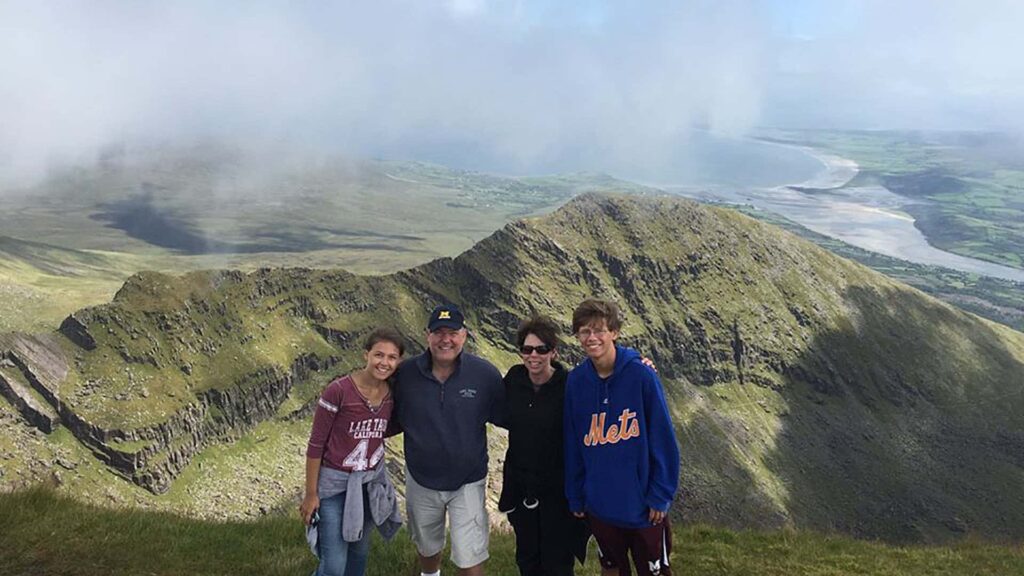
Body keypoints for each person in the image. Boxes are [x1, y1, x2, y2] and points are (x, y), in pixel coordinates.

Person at [563, 299, 680, 576]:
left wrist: (660, 495)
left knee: (654, 571)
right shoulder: (577, 382)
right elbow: (573, 443)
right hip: (600, 505)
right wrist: (576, 494)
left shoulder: (641, 375)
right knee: (611, 569)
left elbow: (663, 438)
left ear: (614, 332)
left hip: (642, 507)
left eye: (599, 330)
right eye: (584, 331)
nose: (592, 338)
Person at [391, 304, 505, 576]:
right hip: (421, 478)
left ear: (464, 335)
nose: (446, 339)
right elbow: (385, 414)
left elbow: (509, 418)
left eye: (452, 332)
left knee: (470, 553)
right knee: (428, 546)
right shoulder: (405, 375)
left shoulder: (485, 374)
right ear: (427, 335)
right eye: (438, 332)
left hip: (468, 479)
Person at [300, 327, 405, 576]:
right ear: (365, 355)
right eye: (379, 355)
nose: (384, 362)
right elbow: (316, 444)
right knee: (334, 566)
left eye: (392, 357)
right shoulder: (338, 391)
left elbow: (383, 429)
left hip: (368, 486)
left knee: (357, 559)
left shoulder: (391, 395)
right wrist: (311, 494)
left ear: (398, 361)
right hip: (335, 487)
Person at [498, 315, 589, 576]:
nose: (533, 355)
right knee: (527, 560)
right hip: (522, 488)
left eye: (541, 349)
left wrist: (641, 365)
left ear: (554, 352)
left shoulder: (569, 385)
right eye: (527, 349)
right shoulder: (514, 380)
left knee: (557, 563)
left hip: (558, 493)